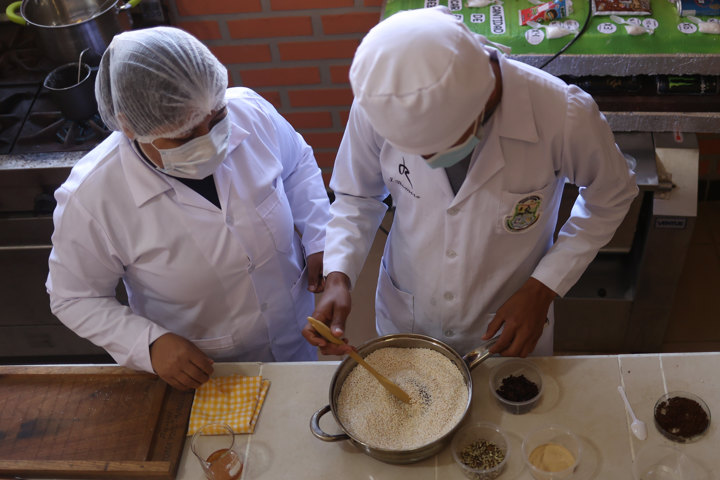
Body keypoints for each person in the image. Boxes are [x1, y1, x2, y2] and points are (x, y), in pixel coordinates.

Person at [302, 6, 638, 358]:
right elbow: (357, 195)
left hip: (506, 321)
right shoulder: (381, 101)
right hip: (409, 311)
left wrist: (543, 288)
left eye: (436, 149)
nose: (427, 162)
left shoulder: (562, 115)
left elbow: (611, 196)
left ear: (481, 102)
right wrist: (339, 275)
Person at [46, 27, 331, 390]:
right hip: (209, 370)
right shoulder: (92, 198)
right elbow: (74, 297)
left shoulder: (250, 111)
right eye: (183, 136)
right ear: (130, 127)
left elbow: (297, 165)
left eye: (216, 119)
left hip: (295, 337)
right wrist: (148, 343)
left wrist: (318, 234)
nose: (210, 142)